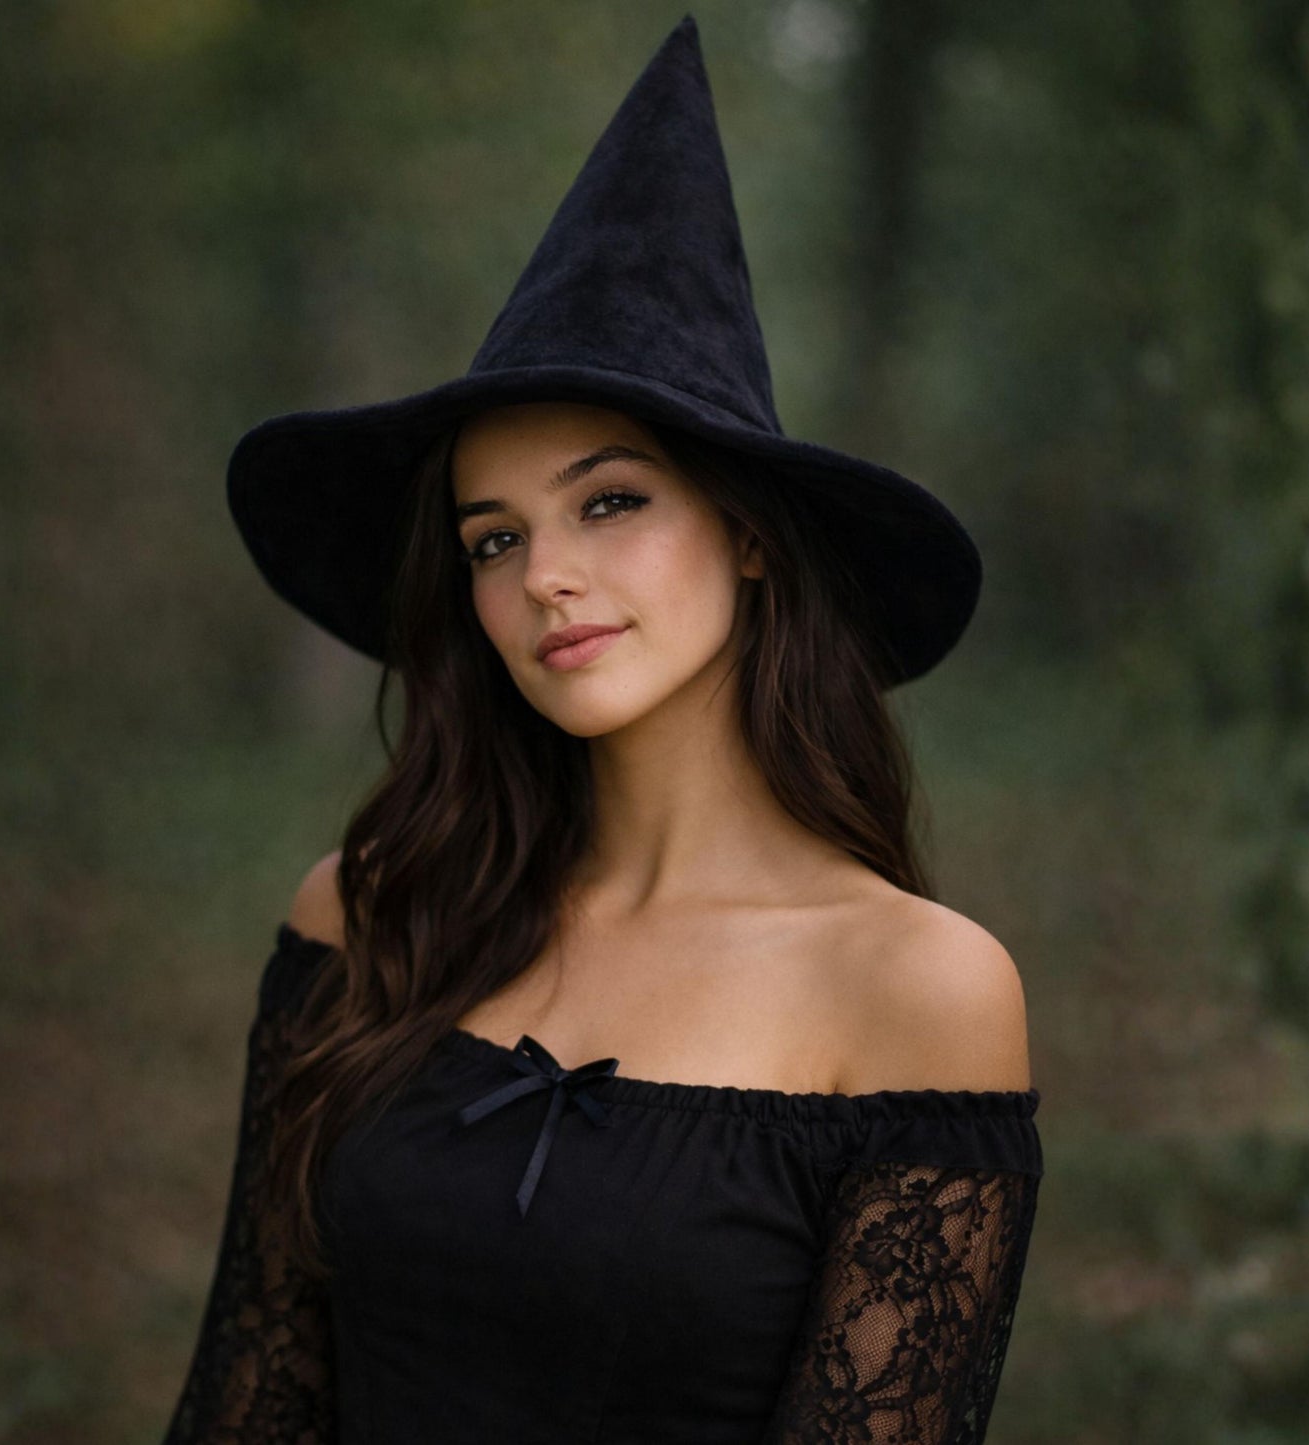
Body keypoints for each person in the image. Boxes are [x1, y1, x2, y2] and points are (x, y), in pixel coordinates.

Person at [162, 15, 1044, 1444]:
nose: (542, 575)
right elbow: (253, 1395)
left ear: (750, 537)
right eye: (491, 536)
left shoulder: (916, 988)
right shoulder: (371, 914)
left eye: (610, 500)